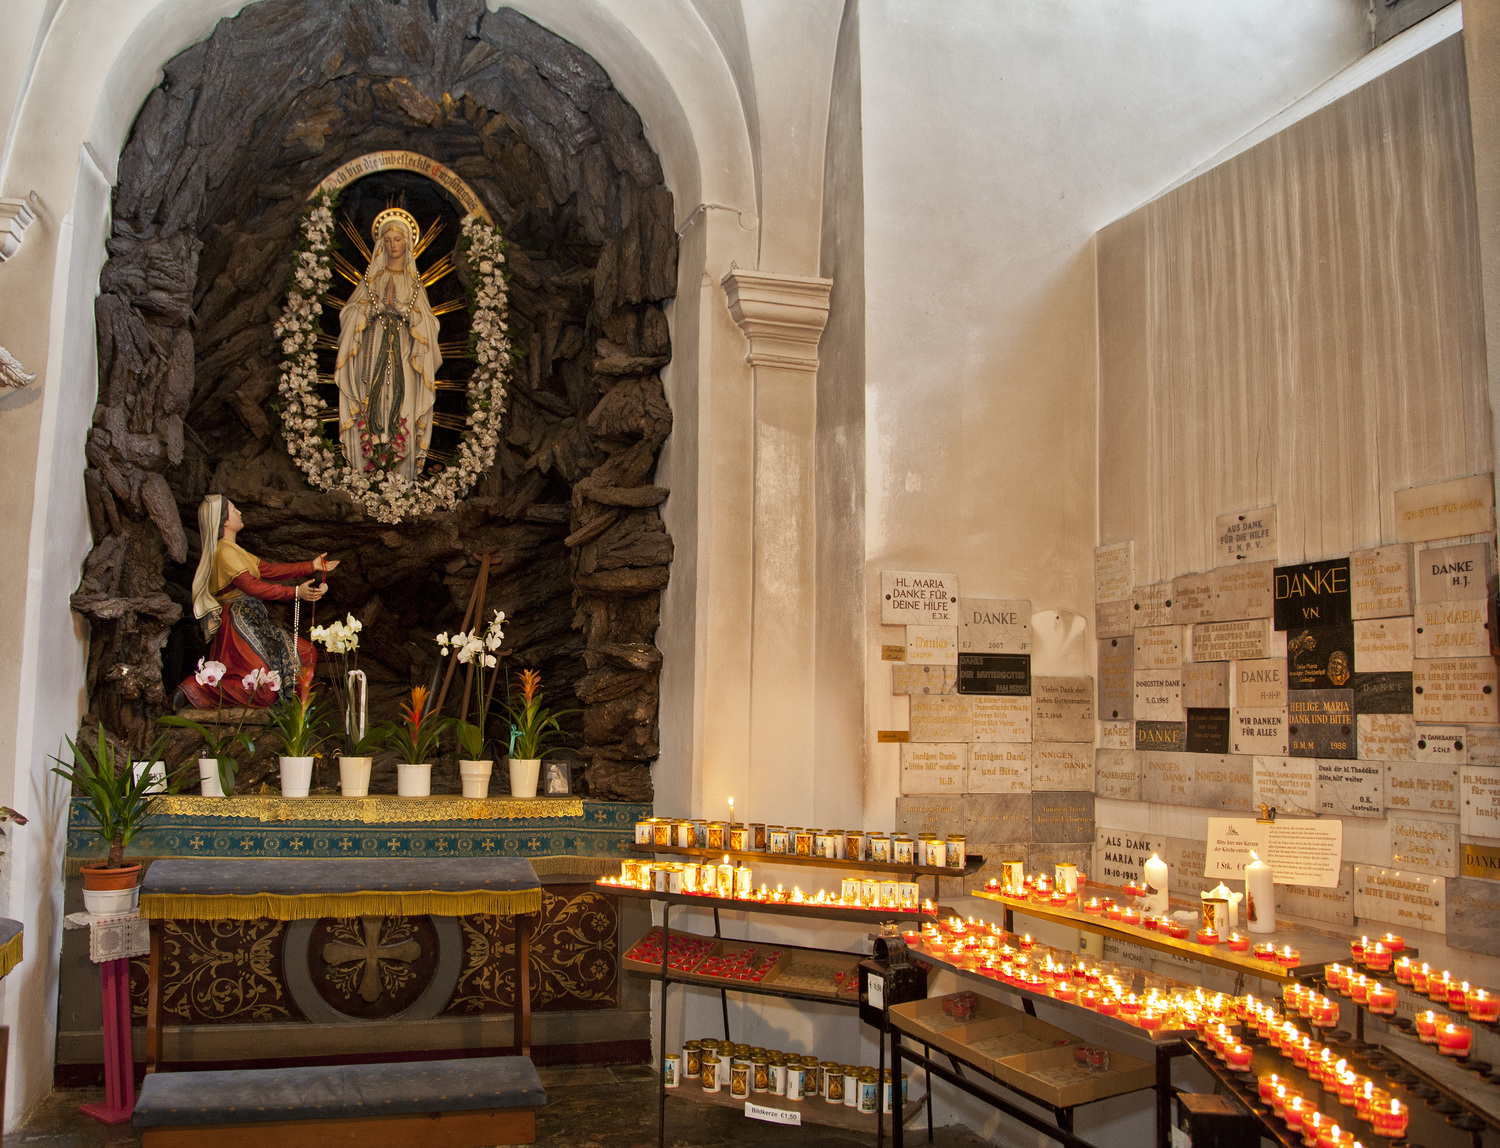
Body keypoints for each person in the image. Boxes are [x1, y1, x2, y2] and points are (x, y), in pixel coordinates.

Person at [177, 495, 338, 709]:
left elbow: (268, 569)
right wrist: (295, 592)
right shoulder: (224, 551)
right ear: (225, 520)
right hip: (236, 625)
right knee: (262, 690)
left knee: (303, 651)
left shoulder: (234, 550)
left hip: (250, 619)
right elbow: (251, 586)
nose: (239, 513)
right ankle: (198, 688)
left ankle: (294, 708)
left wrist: (310, 566)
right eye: (234, 510)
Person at [334, 206, 443, 478]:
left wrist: (406, 314)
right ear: (380, 244)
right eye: (388, 240)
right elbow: (348, 315)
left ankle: (401, 476)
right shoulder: (372, 281)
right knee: (372, 408)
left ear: (407, 243)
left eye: (398, 239)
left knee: (403, 407)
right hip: (372, 355)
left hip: (406, 359)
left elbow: (430, 327)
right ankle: (367, 472)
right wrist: (373, 311)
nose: (393, 245)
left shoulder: (414, 285)